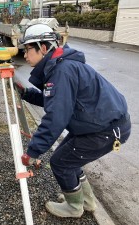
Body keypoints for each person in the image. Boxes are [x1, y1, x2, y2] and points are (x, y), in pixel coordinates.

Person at [16, 24, 131, 218]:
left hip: (105, 129)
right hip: (97, 124)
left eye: (27, 49)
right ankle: (86, 202)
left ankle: (74, 207)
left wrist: (33, 151)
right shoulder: (61, 65)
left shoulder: (62, 71)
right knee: (68, 158)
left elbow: (56, 117)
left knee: (60, 162)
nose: (25, 55)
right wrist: (27, 93)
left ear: (43, 48)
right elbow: (57, 101)